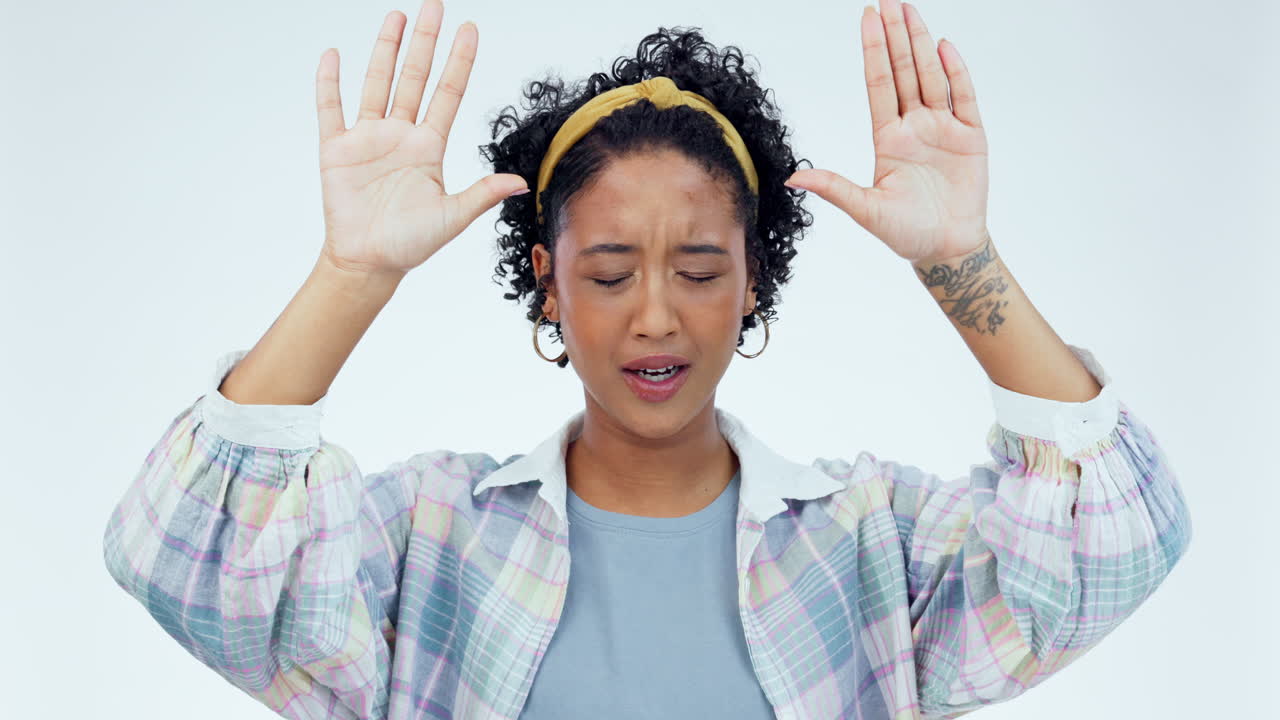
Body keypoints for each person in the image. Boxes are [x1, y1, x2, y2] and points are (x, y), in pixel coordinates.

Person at [102, 1, 1193, 718]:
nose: (657, 318)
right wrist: (353, 274)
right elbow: (179, 560)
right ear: (548, 283)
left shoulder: (870, 544)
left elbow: (1114, 551)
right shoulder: (429, 539)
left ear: (754, 280)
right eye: (612, 273)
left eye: (703, 270)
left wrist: (962, 260)